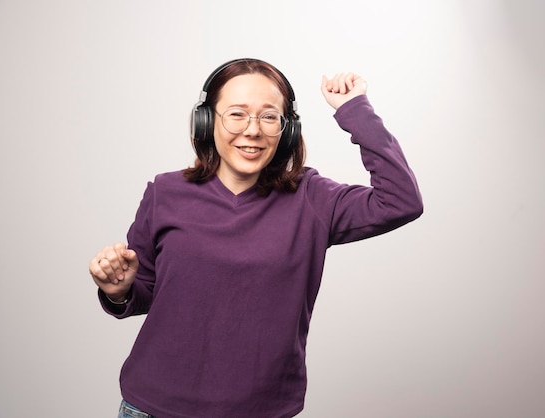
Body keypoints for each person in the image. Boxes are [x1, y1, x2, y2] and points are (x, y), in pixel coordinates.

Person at [89, 58, 423, 418]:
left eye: (268, 117)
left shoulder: (312, 198)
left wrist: (354, 109)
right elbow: (145, 293)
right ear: (207, 122)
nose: (253, 130)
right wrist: (120, 291)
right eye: (236, 114)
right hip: (151, 408)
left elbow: (400, 201)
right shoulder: (165, 192)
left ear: (287, 130)